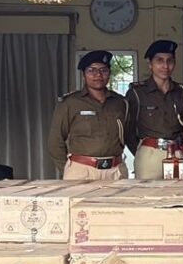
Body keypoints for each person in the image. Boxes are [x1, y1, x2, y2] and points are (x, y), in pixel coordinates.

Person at [48, 50, 128, 179]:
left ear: (109, 74)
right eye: (92, 70)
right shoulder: (70, 103)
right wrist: (69, 169)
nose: (98, 75)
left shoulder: (120, 102)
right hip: (82, 170)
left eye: (103, 70)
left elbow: (128, 135)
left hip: (115, 170)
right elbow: (55, 141)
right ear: (84, 75)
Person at [124, 40, 183, 179]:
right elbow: (128, 130)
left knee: (181, 191)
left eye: (169, 61)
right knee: (148, 192)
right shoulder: (137, 92)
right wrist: (141, 151)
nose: (165, 66)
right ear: (150, 64)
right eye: (159, 60)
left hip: (178, 153)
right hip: (149, 154)